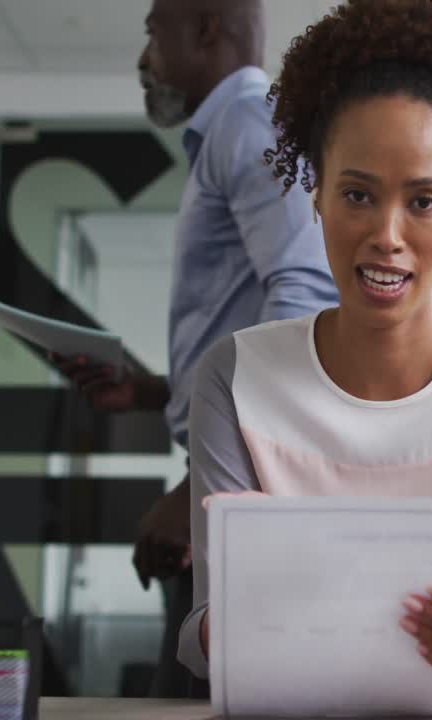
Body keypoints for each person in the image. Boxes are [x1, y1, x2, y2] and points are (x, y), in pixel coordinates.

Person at [178, 0, 432, 705]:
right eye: (358, 194)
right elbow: (208, 638)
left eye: (423, 202)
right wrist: (238, 610)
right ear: (316, 197)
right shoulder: (234, 376)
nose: (387, 235)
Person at [55, 0, 338, 698]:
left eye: (153, 33)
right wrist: (154, 391)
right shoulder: (235, 133)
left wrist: (199, 494)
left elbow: (303, 300)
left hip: (239, 476)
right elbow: (248, 319)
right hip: (230, 467)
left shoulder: (247, 123)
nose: (144, 57)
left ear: (207, 29)